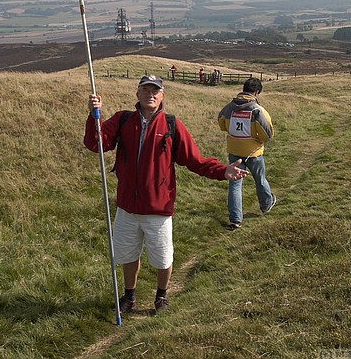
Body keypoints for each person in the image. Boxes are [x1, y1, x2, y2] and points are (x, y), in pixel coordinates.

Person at [84, 75, 246, 315]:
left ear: (162, 96)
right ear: (137, 94)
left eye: (155, 91)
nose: (150, 94)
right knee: (128, 255)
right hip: (127, 208)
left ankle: (161, 296)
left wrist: (224, 171)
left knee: (162, 258)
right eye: (145, 89)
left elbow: (194, 160)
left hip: (158, 209)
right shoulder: (123, 120)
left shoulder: (171, 125)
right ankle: (129, 297)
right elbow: (95, 144)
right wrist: (93, 115)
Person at [218, 77, 276, 230]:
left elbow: (222, 123)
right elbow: (268, 134)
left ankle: (235, 219)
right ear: (256, 92)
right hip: (253, 152)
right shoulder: (257, 110)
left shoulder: (229, 108)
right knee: (260, 179)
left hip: (234, 151)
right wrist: (257, 139)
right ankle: (266, 204)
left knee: (235, 185)